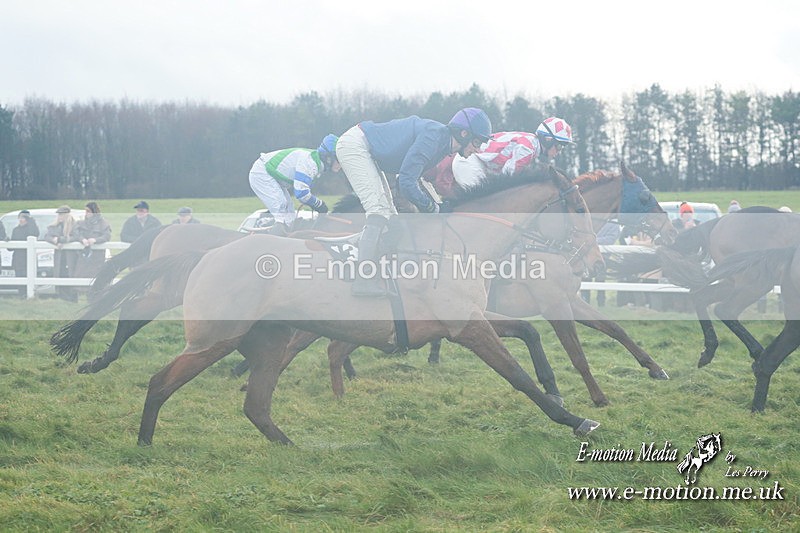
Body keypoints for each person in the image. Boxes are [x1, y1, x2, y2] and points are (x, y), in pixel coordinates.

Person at [336, 108, 492, 296]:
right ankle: (362, 282)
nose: (478, 149)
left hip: (368, 150)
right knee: (378, 212)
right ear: (464, 133)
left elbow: (413, 179)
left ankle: (370, 267)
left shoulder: (441, 143)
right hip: (356, 145)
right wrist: (434, 208)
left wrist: (437, 205)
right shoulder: (434, 138)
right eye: (477, 142)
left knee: (393, 223)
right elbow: (406, 183)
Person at [248, 134, 339, 236]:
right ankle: (266, 247)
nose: (341, 164)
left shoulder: (316, 163)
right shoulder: (310, 163)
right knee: (281, 211)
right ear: (328, 158)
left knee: (290, 218)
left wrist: (318, 205)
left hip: (272, 176)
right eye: (338, 159)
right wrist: (319, 204)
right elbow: (301, 194)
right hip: (262, 173)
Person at [449, 117, 575, 190]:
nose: (559, 152)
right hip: (470, 161)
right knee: (484, 204)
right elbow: (507, 177)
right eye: (559, 146)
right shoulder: (527, 149)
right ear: (548, 140)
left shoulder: (531, 144)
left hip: (479, 163)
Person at [581, 222, 620, 307]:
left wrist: (592, 241)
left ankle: (601, 303)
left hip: (603, 258)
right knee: (586, 279)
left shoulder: (614, 224)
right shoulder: (590, 221)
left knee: (600, 280)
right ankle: (585, 303)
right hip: (587, 256)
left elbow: (610, 239)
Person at [44, 205, 78, 301]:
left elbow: (76, 237)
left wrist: (62, 240)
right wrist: (54, 241)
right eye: (59, 215)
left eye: (62, 215)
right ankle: (62, 296)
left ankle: (72, 297)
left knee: (70, 273)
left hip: (71, 256)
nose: (60, 217)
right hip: (60, 256)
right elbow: (47, 236)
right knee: (60, 272)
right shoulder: (54, 226)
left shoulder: (75, 225)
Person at [71, 202, 112, 279]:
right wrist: (82, 239)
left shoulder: (103, 224)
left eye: (88, 211)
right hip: (83, 255)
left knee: (95, 276)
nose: (86, 213)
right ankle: (79, 290)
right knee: (80, 274)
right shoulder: (80, 223)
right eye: (85, 211)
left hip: (97, 256)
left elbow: (107, 236)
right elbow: (75, 234)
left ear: (94, 212)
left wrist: (95, 240)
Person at [9, 210, 40, 298]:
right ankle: (21, 295)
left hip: (28, 258)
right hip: (18, 259)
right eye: (20, 218)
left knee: (29, 276)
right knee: (19, 277)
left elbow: (35, 234)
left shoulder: (32, 228)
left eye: (24, 218)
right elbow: (11, 247)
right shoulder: (15, 230)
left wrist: (31, 222)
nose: (21, 220)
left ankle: (29, 295)